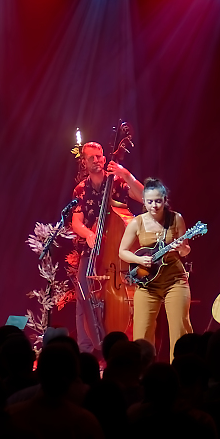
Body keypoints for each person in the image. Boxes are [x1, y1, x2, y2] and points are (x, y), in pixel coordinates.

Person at [68, 141, 144, 354]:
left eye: (99, 156)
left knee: (118, 298)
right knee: (83, 295)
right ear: (84, 162)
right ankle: (85, 350)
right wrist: (89, 234)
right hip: (91, 251)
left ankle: (117, 345)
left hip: (117, 253)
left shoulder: (117, 182)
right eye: (91, 157)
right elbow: (76, 222)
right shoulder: (80, 189)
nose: (97, 160)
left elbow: (143, 197)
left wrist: (126, 174)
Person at [117, 177, 191, 362]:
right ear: (143, 201)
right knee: (141, 334)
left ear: (165, 200)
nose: (154, 206)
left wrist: (182, 248)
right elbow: (122, 252)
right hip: (147, 283)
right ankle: (143, 373)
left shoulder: (176, 219)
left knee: (180, 330)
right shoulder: (137, 223)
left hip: (174, 280)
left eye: (158, 201)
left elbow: (185, 250)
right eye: (149, 201)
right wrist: (139, 259)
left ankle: (180, 371)